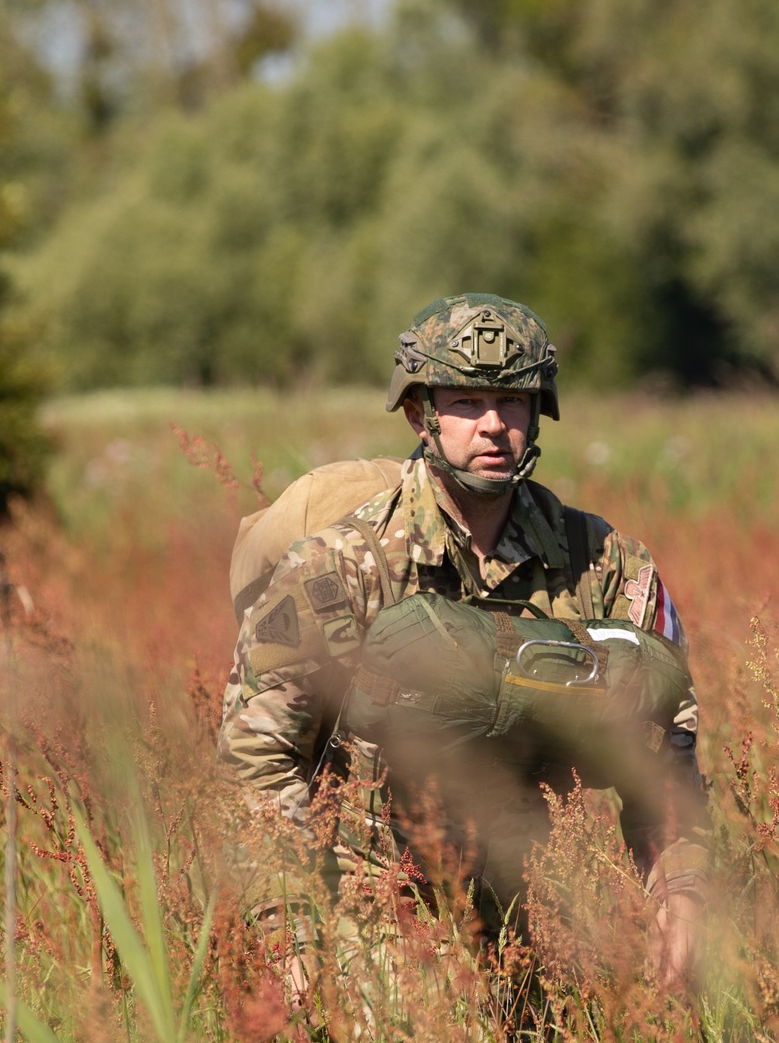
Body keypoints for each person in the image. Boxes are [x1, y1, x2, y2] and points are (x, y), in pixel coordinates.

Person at [218, 294, 710, 993]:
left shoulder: (606, 565)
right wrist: (290, 927)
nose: (492, 425)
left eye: (514, 403)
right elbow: (258, 758)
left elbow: (667, 752)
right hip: (371, 906)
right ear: (421, 415)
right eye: (466, 400)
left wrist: (678, 893)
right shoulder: (343, 568)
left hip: (535, 907)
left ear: (539, 414)